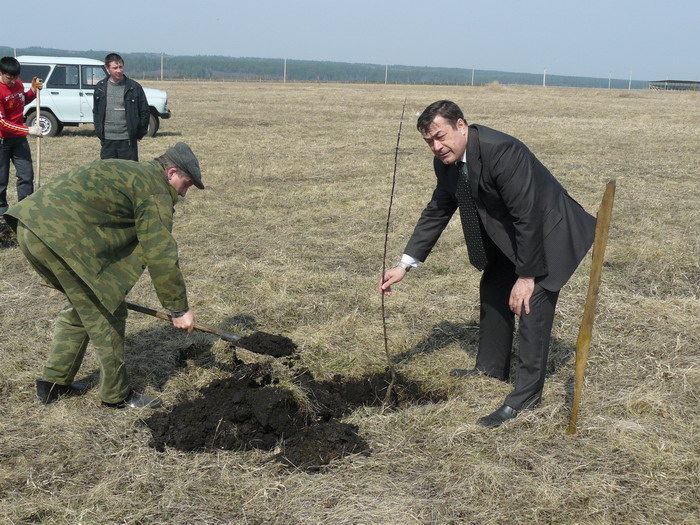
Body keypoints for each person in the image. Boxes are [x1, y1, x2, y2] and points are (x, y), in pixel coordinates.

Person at [379, 100, 596, 428]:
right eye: (429, 142)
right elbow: (438, 209)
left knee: (530, 303)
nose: (437, 147)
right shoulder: (447, 162)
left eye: (441, 136)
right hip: (513, 235)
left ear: (461, 126)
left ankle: (525, 398)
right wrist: (404, 265)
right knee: (495, 285)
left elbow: (528, 214)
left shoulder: (502, 151)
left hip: (550, 228)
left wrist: (526, 275)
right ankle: (491, 367)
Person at [4, 142, 204, 409]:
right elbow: (160, 252)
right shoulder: (155, 190)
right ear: (170, 173)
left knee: (82, 308)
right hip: (60, 239)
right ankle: (116, 395)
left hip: (31, 227)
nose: (184, 193)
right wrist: (179, 309)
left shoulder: (130, 170)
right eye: (186, 184)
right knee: (108, 312)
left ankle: (53, 382)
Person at [0, 56, 43, 217]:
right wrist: (28, 130)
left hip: (18, 139)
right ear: (1, 73)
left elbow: (20, 101)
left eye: (16, 78)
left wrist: (32, 91)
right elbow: (2, 123)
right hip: (2, 140)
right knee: (1, 180)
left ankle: (25, 212)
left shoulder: (17, 83)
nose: (13, 82)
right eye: (9, 78)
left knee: (26, 175)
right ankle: (1, 214)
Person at [93, 53, 150, 161]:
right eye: (115, 68)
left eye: (121, 67)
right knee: (108, 174)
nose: (119, 70)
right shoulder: (100, 88)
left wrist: (139, 134)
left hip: (127, 141)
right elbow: (96, 112)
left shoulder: (134, 87)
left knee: (129, 175)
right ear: (107, 68)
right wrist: (99, 132)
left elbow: (144, 112)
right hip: (107, 141)